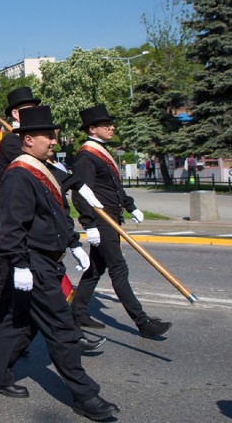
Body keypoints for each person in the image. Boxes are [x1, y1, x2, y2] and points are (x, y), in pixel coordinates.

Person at [0, 106, 119, 421]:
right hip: (34, 264)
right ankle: (85, 395)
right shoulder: (19, 174)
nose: (54, 141)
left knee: (20, 325)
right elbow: (10, 227)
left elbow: (53, 217)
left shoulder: (39, 168)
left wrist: (72, 244)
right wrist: (19, 265)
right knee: (62, 329)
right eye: (48, 136)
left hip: (46, 261)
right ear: (28, 139)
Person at [0, 87, 105, 353]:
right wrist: (74, 181)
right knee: (9, 290)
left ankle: (51, 337)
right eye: (28, 108)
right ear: (17, 113)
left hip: (40, 220)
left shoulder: (36, 140)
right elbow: (36, 170)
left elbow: (50, 169)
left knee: (28, 292)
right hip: (20, 223)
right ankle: (1, 344)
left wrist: (76, 183)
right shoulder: (12, 142)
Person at [70, 104, 172, 339]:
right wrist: (89, 224)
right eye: (106, 125)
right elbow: (79, 192)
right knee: (118, 269)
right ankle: (142, 322)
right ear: (92, 129)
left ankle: (78, 311)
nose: (112, 127)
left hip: (112, 217)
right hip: (101, 220)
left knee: (96, 268)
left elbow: (112, 186)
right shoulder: (86, 155)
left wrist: (130, 205)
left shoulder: (101, 151)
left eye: (111, 123)